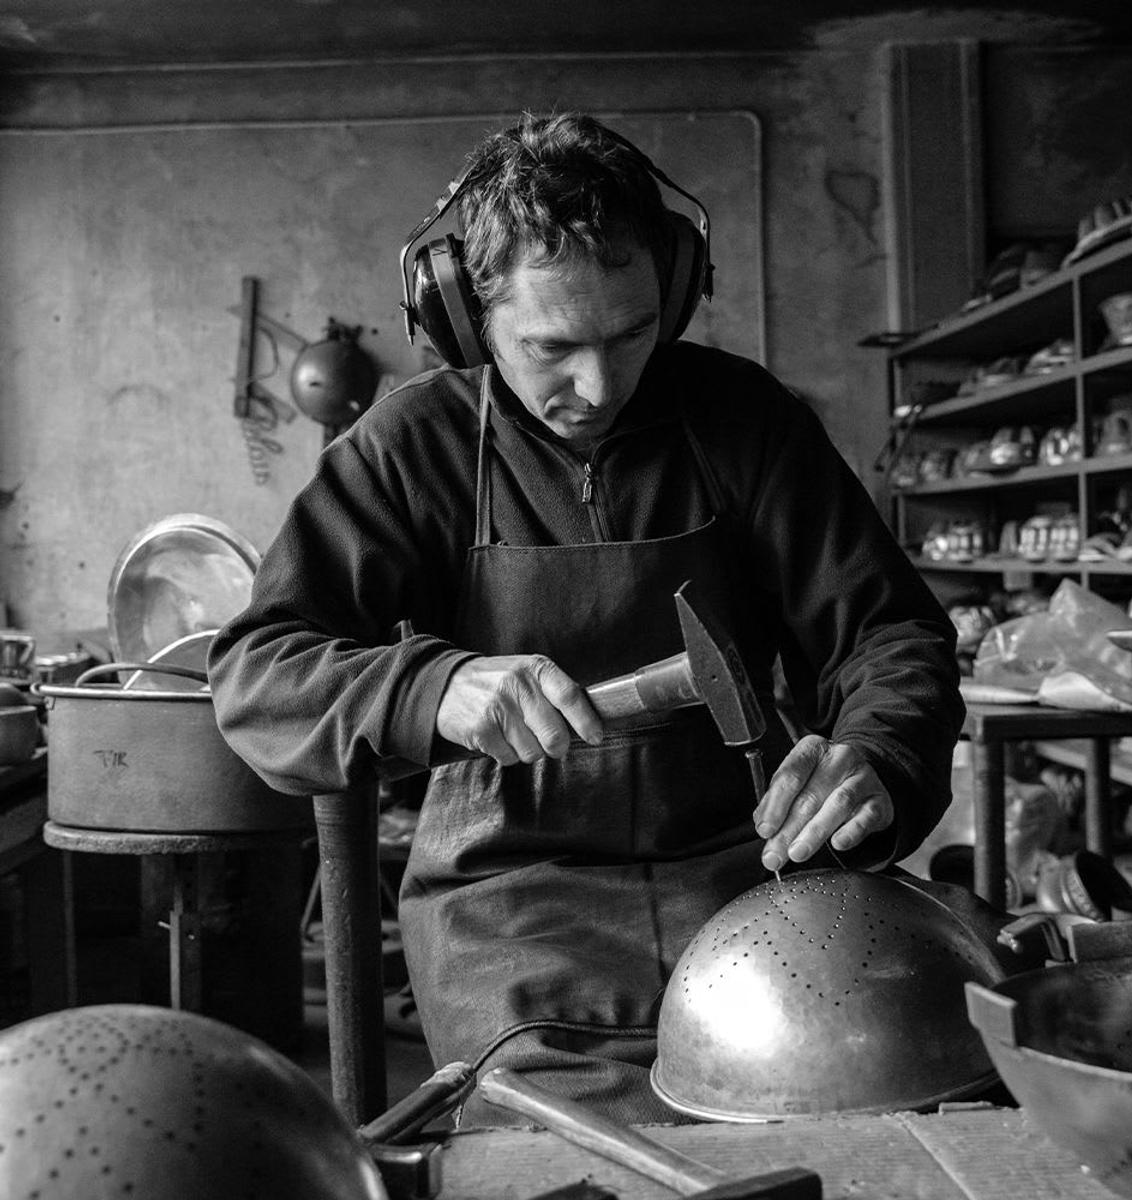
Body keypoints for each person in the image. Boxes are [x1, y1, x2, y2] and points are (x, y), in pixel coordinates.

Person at [208, 111, 965, 1126]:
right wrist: (432, 688)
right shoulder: (412, 448)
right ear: (468, 319)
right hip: (512, 908)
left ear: (677, 291)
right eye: (552, 347)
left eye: (633, 334)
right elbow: (257, 669)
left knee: (861, 1124)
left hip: (752, 879)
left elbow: (890, 637)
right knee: (571, 1158)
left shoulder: (744, 420)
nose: (601, 386)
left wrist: (877, 753)